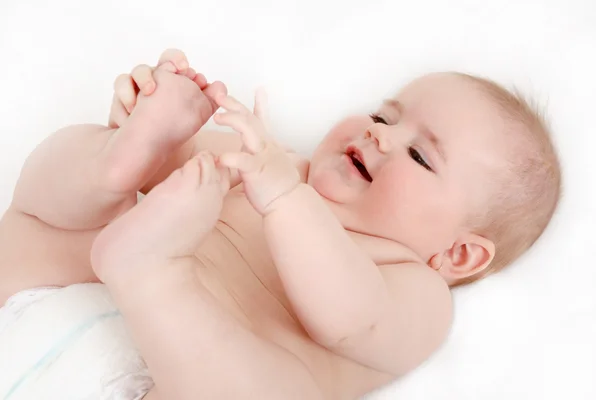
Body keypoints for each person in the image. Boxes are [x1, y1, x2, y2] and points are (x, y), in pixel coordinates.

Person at [0, 49, 561, 399]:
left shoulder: (417, 287)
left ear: (459, 255)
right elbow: (184, 158)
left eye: (420, 156)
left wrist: (287, 198)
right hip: (56, 296)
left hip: (176, 378)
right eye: (384, 115)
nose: (380, 135)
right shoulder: (274, 163)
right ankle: (110, 161)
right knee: (55, 212)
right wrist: (158, 129)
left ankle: (154, 273)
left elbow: (349, 318)